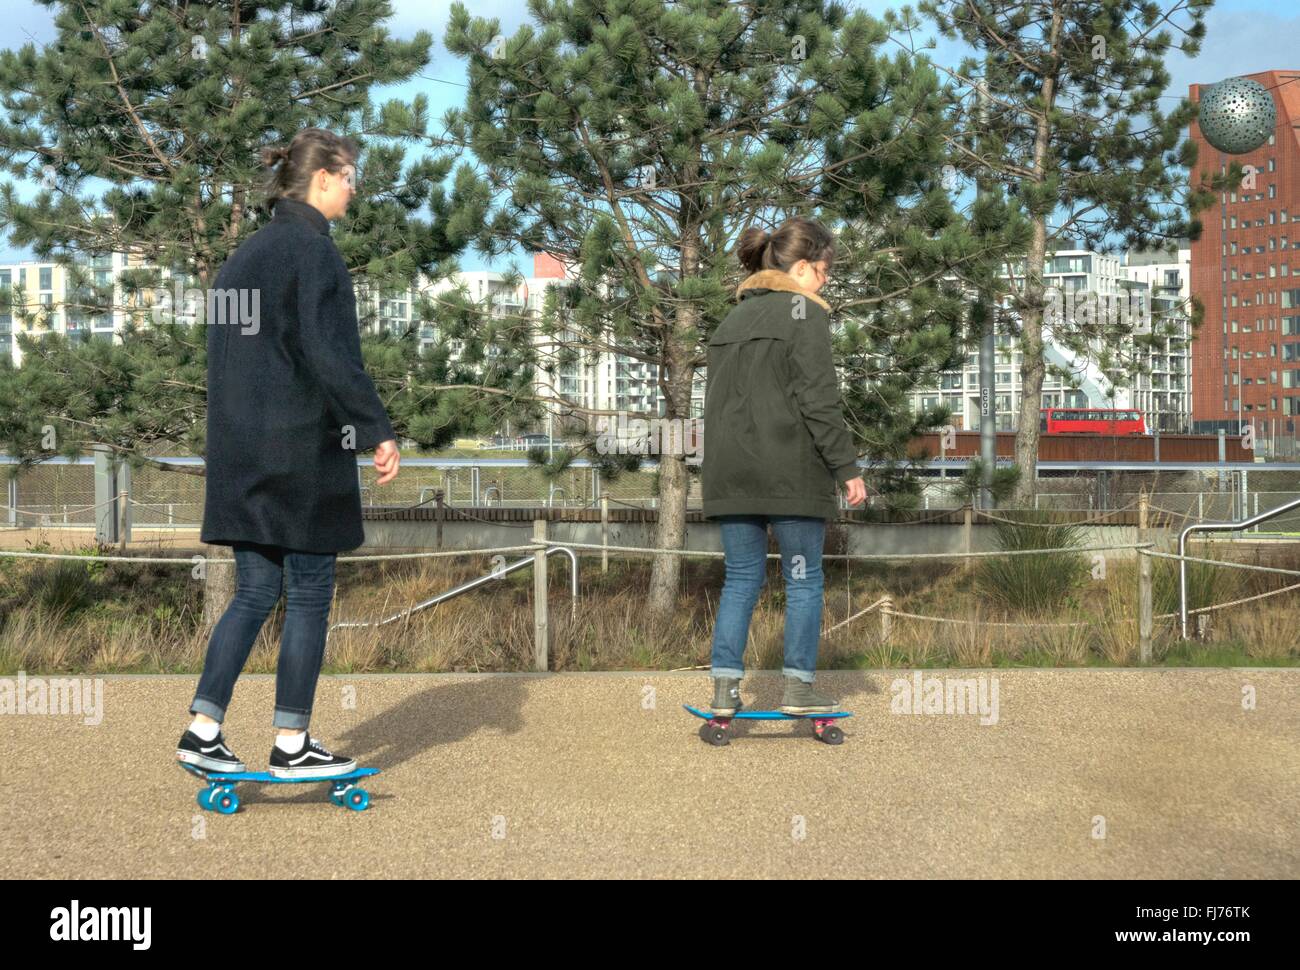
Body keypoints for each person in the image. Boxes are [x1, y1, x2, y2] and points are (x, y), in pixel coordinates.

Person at [176, 128, 400, 779]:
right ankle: (293, 745)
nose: (354, 190)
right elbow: (332, 358)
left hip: (240, 455)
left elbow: (228, 362)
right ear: (323, 178)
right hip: (299, 455)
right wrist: (376, 428)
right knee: (308, 593)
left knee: (254, 591)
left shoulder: (243, 258)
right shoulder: (315, 254)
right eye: (350, 177)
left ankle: (204, 728)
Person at [701, 216, 867, 717]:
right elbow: (818, 400)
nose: (825, 281)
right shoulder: (805, 314)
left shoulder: (730, 320)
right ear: (799, 268)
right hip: (789, 472)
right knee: (802, 579)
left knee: (741, 579)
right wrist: (847, 468)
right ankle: (798, 688)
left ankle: (725, 691)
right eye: (822, 271)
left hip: (731, 475)